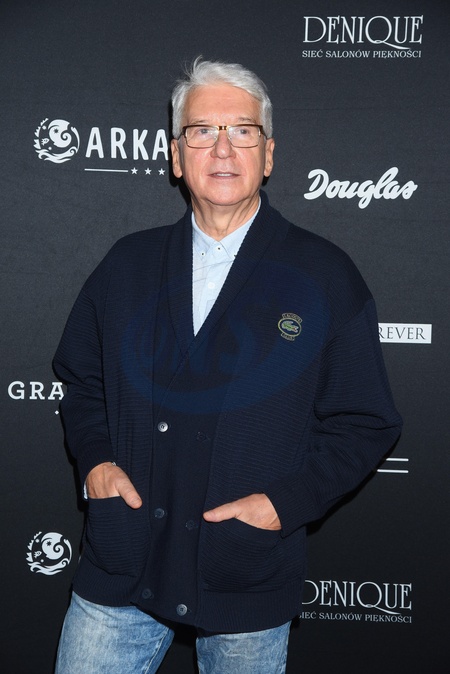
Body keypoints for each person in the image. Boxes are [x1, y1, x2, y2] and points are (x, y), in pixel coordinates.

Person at [53, 57, 402, 673]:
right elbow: (82, 379)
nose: (222, 148)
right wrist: (97, 462)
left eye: (242, 130)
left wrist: (285, 503)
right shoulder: (126, 265)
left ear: (268, 155)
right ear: (175, 156)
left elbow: (366, 420)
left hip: (244, 571)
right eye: (201, 131)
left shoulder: (324, 276)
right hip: (121, 562)